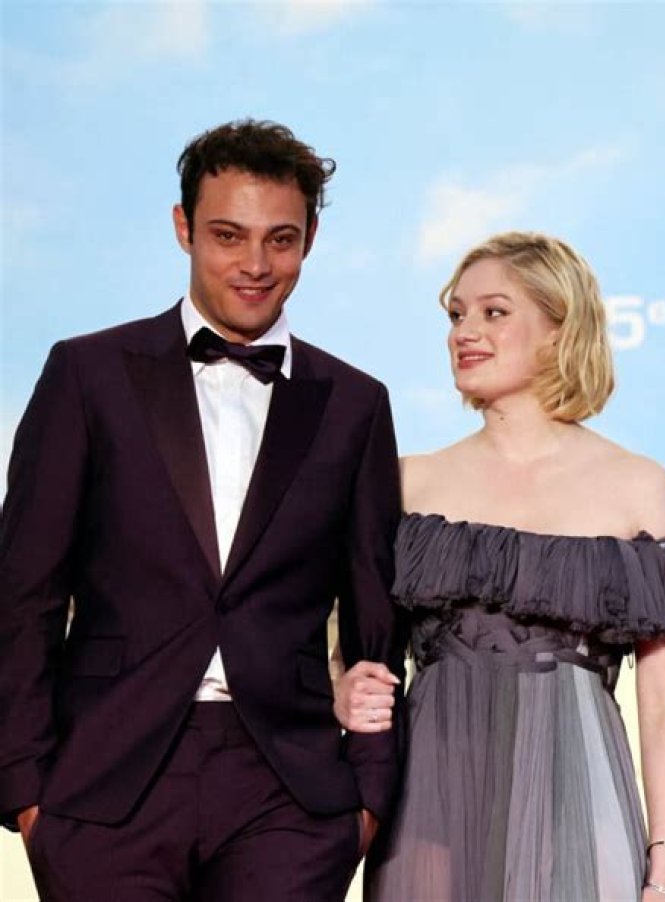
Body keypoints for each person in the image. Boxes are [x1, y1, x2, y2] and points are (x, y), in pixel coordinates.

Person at [0, 119, 406, 901]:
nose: (255, 264)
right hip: (103, 782)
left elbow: (375, 623)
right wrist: (26, 792)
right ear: (183, 227)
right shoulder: (87, 373)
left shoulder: (354, 403)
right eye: (228, 235)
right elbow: (23, 594)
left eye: (281, 239)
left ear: (311, 239)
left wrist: (367, 798)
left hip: (290, 790)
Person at [333, 231, 665, 901]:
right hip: (429, 807)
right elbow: (356, 656)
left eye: (494, 312)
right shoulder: (406, 483)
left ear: (559, 328)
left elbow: (662, 705)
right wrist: (342, 688)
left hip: (577, 802)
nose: (465, 333)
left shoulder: (639, 488)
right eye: (457, 314)